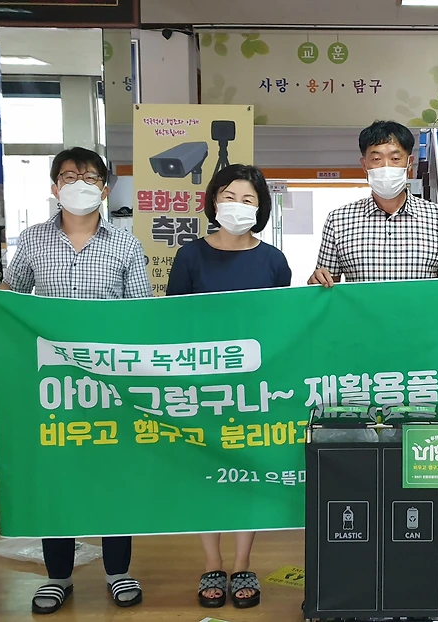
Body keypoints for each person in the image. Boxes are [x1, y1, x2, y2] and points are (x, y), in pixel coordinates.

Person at [0, 146, 149, 615]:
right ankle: (58, 575)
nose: (79, 185)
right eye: (69, 176)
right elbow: (13, 301)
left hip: (109, 381)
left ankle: (118, 571)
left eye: (90, 177)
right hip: (51, 384)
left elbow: (140, 314)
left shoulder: (125, 244)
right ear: (54, 187)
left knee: (112, 473)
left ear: (105, 189)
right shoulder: (34, 240)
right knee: (54, 473)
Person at [166, 164, 291, 609]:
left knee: (246, 472)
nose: (237, 205)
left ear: (260, 208)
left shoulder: (274, 260)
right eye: (229, 196)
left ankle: (242, 564)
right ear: (213, 202)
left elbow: (283, 325)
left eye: (248, 199)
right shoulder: (190, 257)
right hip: (201, 384)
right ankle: (211, 563)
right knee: (207, 470)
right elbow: (173, 322)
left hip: (255, 385)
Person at [308, 120, 438, 286]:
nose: (386, 167)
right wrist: (316, 281)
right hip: (361, 312)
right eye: (376, 159)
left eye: (395, 159)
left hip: (421, 311)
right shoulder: (338, 220)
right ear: (364, 165)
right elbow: (327, 287)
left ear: (409, 163)